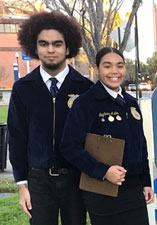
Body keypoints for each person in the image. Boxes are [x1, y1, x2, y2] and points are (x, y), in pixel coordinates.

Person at [7, 11, 93, 225]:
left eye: (57, 44)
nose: (51, 49)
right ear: (34, 47)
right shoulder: (22, 88)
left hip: (76, 178)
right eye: (44, 44)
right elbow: (17, 138)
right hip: (39, 180)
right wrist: (22, 185)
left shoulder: (85, 88)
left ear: (67, 47)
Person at [59, 47, 154, 225]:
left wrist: (146, 182)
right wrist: (103, 171)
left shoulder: (131, 103)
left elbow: (140, 145)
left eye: (120, 66)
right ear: (97, 69)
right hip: (103, 191)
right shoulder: (85, 104)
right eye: (107, 66)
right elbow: (69, 147)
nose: (114, 72)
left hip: (133, 190)